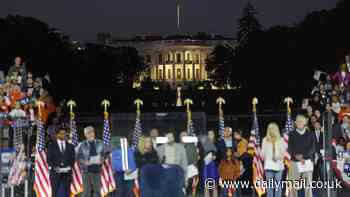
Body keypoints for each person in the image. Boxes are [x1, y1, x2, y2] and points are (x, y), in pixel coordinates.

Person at [288, 115, 316, 197]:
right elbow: (290, 148)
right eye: (298, 121)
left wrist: (302, 156)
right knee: (293, 186)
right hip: (294, 162)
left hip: (307, 162)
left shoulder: (310, 134)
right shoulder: (291, 134)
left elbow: (312, 148)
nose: (299, 122)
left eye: (301, 121)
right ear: (295, 123)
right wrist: (297, 156)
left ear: (305, 122)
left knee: (308, 186)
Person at [76, 126, 106, 197]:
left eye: (92, 132)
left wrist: (102, 159)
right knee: (86, 192)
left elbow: (104, 154)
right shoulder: (82, 145)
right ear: (85, 135)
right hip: (86, 171)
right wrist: (84, 162)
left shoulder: (100, 143)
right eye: (88, 133)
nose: (91, 134)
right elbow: (78, 157)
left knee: (97, 192)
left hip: (97, 170)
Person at [47, 127, 75, 197]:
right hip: (55, 173)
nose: (63, 135)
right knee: (55, 193)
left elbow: (73, 159)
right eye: (61, 133)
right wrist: (55, 168)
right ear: (57, 135)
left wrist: (69, 167)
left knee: (67, 193)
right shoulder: (51, 146)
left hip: (67, 174)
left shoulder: (71, 146)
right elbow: (49, 159)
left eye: (64, 133)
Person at [261, 123, 286, 197]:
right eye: (270, 129)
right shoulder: (265, 140)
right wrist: (267, 156)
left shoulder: (281, 140)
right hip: (269, 166)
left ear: (276, 130)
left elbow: (283, 153)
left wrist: (277, 157)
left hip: (278, 166)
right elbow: (262, 153)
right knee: (269, 186)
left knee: (278, 186)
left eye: (273, 129)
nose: (272, 131)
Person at [199, 130, 219, 197]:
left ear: (214, 135)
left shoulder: (217, 143)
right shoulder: (203, 144)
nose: (210, 136)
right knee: (206, 186)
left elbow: (221, 155)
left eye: (212, 134)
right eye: (209, 134)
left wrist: (216, 157)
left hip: (214, 167)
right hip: (206, 167)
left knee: (214, 186)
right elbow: (200, 155)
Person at [179, 131, 199, 196]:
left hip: (191, 168)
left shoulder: (192, 146)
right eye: (182, 136)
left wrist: (194, 166)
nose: (184, 137)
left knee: (193, 186)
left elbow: (196, 157)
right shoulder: (177, 146)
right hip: (180, 168)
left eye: (185, 135)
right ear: (180, 137)